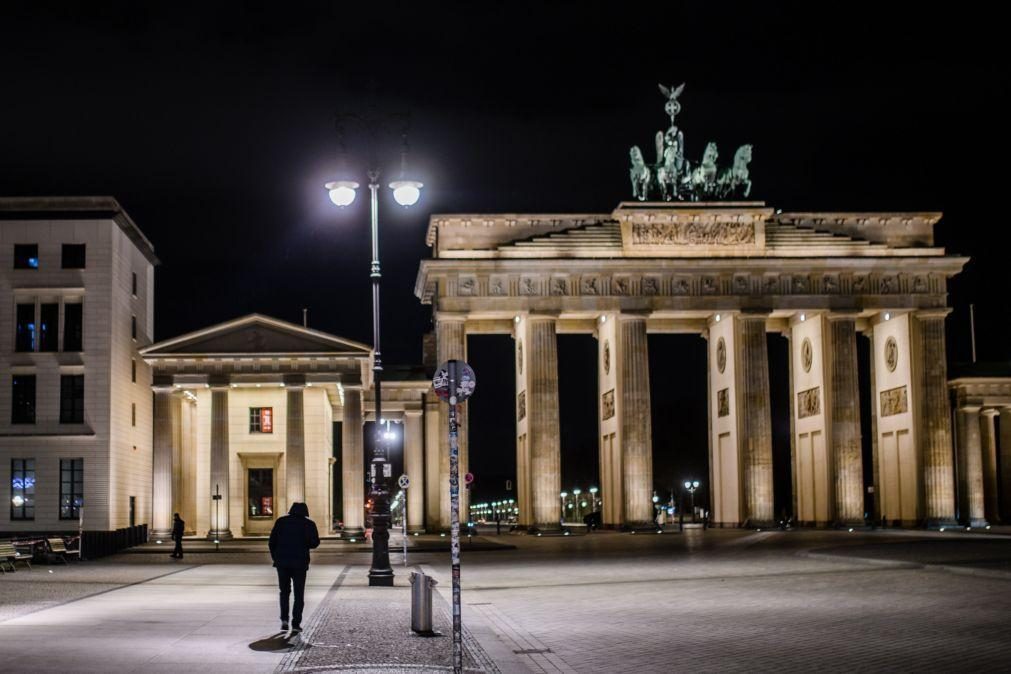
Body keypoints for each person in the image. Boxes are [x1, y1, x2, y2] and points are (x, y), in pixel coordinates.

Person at [268, 502, 320, 632]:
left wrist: (276, 558)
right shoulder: (309, 524)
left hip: (282, 563)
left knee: (284, 592)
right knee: (299, 594)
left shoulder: (281, 522)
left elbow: (272, 542)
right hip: (300, 564)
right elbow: (314, 543)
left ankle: (284, 619)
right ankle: (296, 623)